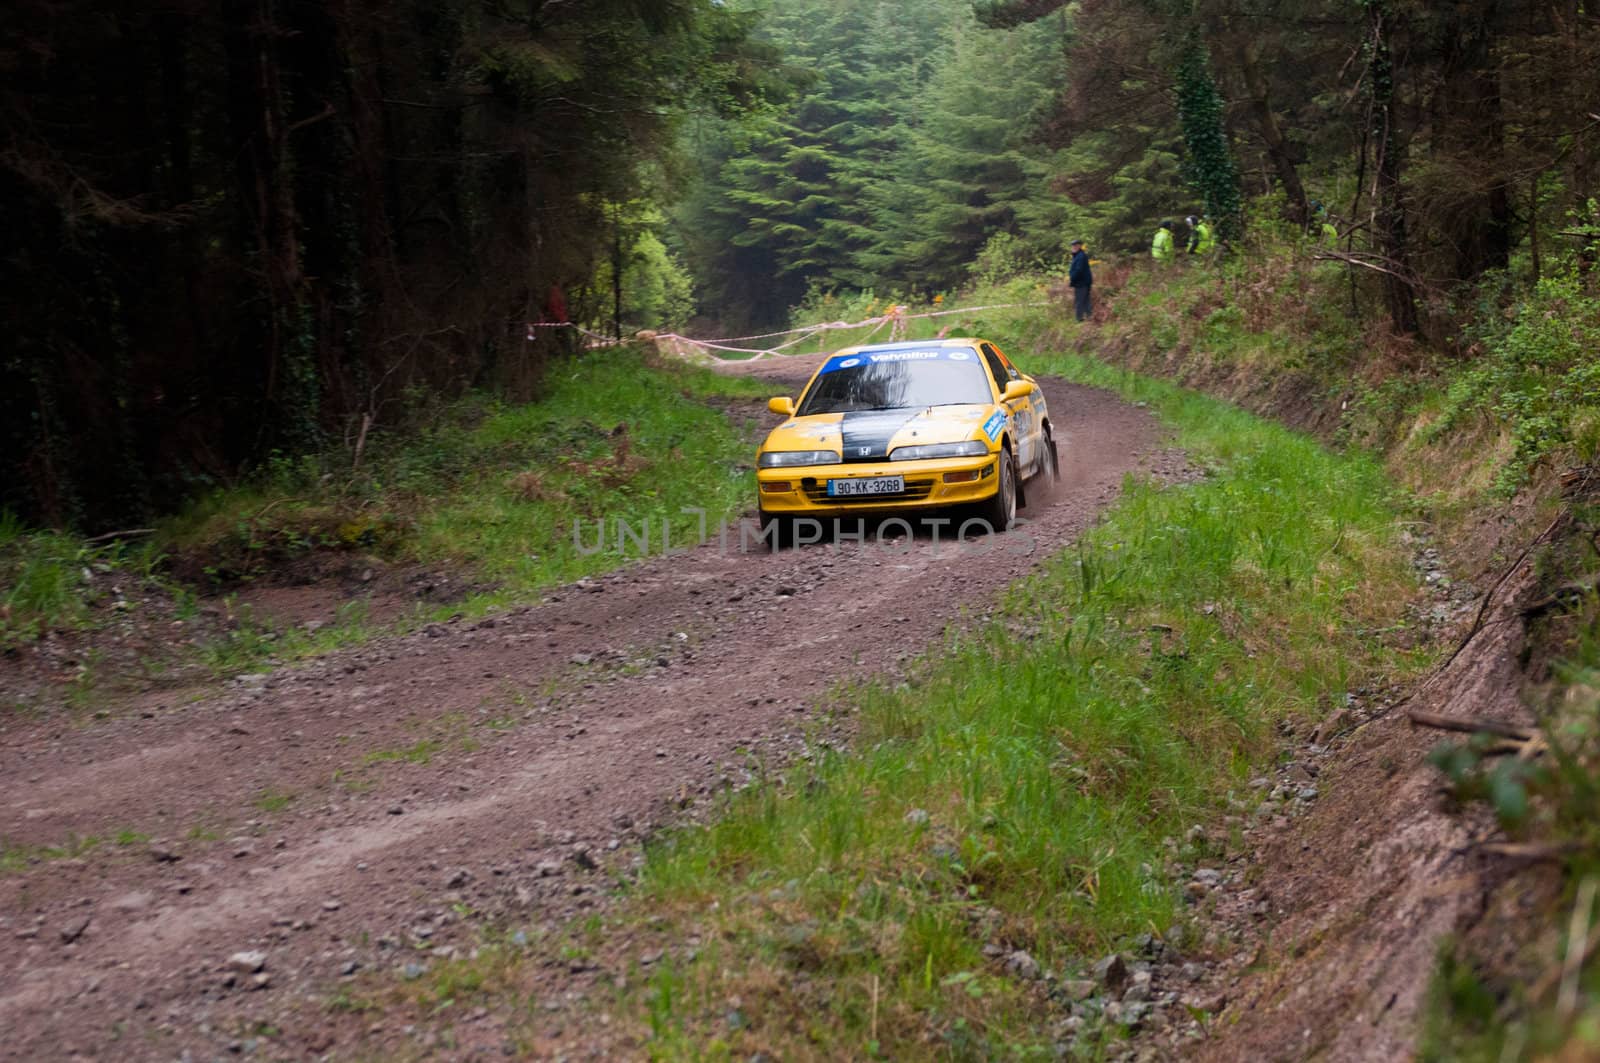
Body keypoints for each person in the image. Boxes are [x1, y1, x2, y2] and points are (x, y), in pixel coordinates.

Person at [1068, 239, 1093, 322]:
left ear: (1079, 246)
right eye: (1073, 245)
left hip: (1081, 282)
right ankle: (1090, 317)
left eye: (1075, 245)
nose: (1074, 247)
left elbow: (1078, 270)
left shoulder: (1081, 256)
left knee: (1079, 301)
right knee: (1085, 300)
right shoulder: (1078, 255)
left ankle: (1079, 319)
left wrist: (1072, 278)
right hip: (1083, 282)